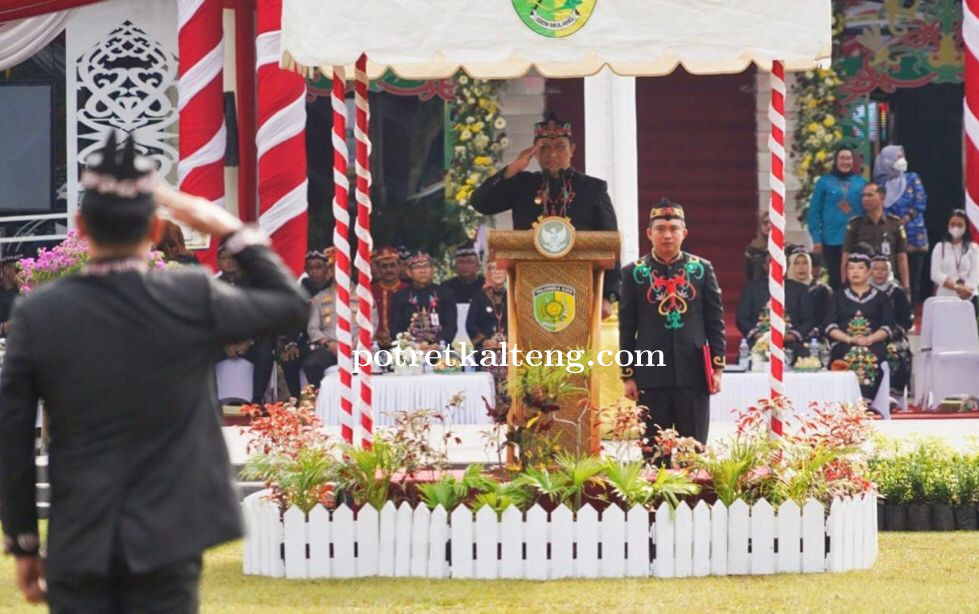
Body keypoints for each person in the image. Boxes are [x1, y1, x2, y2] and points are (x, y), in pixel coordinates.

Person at [0, 133, 307, 610]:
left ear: (81, 226)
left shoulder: (39, 313)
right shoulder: (189, 295)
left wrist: (22, 541)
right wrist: (229, 228)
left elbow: (13, 438)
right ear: (154, 228)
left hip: (81, 539)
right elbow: (290, 306)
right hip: (169, 539)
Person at [470, 114, 620, 316]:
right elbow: (481, 203)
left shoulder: (592, 188)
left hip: (581, 284)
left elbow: (609, 242)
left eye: (559, 147)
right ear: (534, 152)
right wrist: (514, 168)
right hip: (530, 285)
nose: (552, 154)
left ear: (572, 150)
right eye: (544, 148)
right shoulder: (523, 184)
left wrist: (608, 294)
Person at [619, 201, 726, 449]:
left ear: (684, 233)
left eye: (673, 228)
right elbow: (627, 326)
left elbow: (715, 322)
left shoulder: (701, 269)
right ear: (649, 233)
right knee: (655, 451)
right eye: (660, 229)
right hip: (651, 376)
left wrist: (717, 369)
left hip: (695, 374)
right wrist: (628, 375)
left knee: (694, 450)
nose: (667, 235)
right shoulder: (633, 272)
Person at [824, 253, 896, 404]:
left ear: (868, 272)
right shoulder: (837, 296)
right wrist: (850, 339)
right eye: (851, 268)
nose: (855, 272)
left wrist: (870, 339)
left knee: (875, 355)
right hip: (844, 342)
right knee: (843, 354)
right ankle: (845, 401)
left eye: (860, 268)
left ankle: (869, 400)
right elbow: (830, 326)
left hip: (873, 342)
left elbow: (888, 326)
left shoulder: (881, 297)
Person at [215, 244, 276, 404]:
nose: (229, 262)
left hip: (250, 341)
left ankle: (256, 401)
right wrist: (224, 344)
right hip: (222, 343)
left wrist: (248, 342)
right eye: (224, 258)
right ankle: (211, 404)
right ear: (218, 262)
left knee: (266, 352)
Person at [302, 260, 377, 388]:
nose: (342, 272)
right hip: (331, 348)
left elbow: (372, 324)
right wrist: (329, 344)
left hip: (358, 346)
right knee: (312, 364)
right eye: (337, 269)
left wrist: (357, 342)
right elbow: (312, 328)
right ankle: (322, 398)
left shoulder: (364, 296)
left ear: (351, 272)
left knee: (374, 367)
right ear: (330, 272)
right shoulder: (319, 298)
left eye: (346, 269)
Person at [874, 145, 928, 303]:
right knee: (893, 279)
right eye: (898, 157)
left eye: (902, 156)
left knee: (913, 279)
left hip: (914, 236)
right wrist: (895, 222)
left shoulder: (912, 178)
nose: (901, 160)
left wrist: (906, 219)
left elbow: (921, 202)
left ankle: (910, 313)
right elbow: (880, 208)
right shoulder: (881, 185)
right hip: (892, 237)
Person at [807, 146, 867, 289]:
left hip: (856, 239)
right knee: (835, 279)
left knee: (856, 277)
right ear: (835, 161)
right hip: (831, 239)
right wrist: (816, 238)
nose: (845, 162)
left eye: (848, 158)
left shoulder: (861, 183)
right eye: (842, 158)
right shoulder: (824, 182)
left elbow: (867, 210)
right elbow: (814, 211)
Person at [736, 251, 814, 359]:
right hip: (759, 340)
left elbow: (808, 320)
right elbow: (742, 318)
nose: (776, 264)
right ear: (764, 265)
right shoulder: (752, 288)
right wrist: (759, 335)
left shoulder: (799, 289)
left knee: (803, 355)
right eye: (771, 261)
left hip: (790, 342)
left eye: (780, 261)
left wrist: (791, 336)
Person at [279, 249, 335, 398]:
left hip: (330, 340)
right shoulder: (299, 292)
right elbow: (292, 321)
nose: (314, 271)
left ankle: (321, 399)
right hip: (306, 340)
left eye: (318, 267)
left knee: (314, 363)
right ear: (305, 270)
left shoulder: (335, 289)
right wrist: (291, 343)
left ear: (327, 269)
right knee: (289, 358)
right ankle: (297, 400)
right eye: (310, 268)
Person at [842, 183, 910, 292]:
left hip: (888, 281)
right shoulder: (855, 224)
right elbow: (846, 256)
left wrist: (906, 287)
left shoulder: (894, 224)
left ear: (882, 198)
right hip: (863, 283)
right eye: (863, 196)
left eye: (870, 195)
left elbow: (901, 257)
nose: (865, 199)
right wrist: (845, 285)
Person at [390, 251, 457, 347]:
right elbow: (395, 329)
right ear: (409, 272)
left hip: (439, 348)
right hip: (409, 350)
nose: (423, 271)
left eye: (426, 266)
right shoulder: (400, 297)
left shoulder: (446, 294)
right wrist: (412, 345)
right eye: (417, 267)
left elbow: (451, 327)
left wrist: (437, 345)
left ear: (433, 270)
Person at [871, 254, 912, 398]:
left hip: (893, 336)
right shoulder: (865, 290)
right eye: (876, 269)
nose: (879, 272)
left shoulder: (897, 291)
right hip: (868, 336)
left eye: (883, 269)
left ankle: (893, 394)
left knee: (895, 352)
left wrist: (890, 331)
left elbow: (907, 320)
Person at [930, 209, 979, 315]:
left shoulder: (973, 248)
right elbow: (935, 274)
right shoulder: (940, 247)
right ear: (948, 226)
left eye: (960, 225)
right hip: (944, 297)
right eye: (952, 224)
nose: (955, 227)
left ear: (966, 227)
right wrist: (956, 287)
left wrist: (967, 290)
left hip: (968, 297)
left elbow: (975, 274)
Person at [786, 246, 832, 340]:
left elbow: (827, 319)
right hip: (786, 335)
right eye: (797, 263)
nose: (801, 267)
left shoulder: (822, 290)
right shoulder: (782, 288)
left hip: (814, 337)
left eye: (805, 263)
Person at [466, 260, 508, 353]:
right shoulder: (479, 296)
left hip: (509, 349)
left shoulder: (512, 297)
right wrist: (484, 341)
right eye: (493, 268)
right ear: (488, 272)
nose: (497, 271)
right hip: (486, 349)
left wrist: (510, 341)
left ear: (507, 272)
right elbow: (470, 325)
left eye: (501, 268)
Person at [371, 245, 407, 348]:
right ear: (377, 268)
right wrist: (376, 334)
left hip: (403, 344)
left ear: (399, 267)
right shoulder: (369, 291)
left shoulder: (408, 290)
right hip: (374, 343)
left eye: (392, 265)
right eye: (384, 266)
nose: (388, 270)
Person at [744, 211, 771, 281]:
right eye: (765, 223)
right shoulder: (752, 249)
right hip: (758, 287)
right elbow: (749, 274)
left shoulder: (784, 248)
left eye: (772, 223)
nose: (769, 226)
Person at [0, 256, 20, 336]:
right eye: (18, 270)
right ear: (6, 269)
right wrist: (4, 326)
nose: (21, 273)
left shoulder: (22, 289)